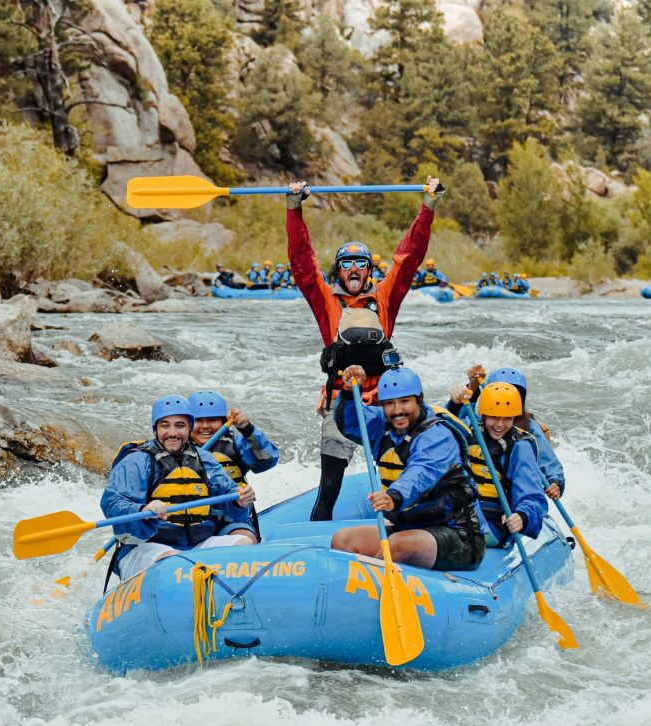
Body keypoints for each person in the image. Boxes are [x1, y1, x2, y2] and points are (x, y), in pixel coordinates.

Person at [286, 175, 444, 521]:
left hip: (388, 405)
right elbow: (302, 263)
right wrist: (294, 209)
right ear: (338, 272)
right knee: (329, 487)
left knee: (398, 477)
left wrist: (428, 206)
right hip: (342, 400)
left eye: (361, 264)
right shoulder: (326, 301)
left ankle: (406, 528)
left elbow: (409, 256)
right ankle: (320, 548)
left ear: (369, 271)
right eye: (346, 264)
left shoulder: (385, 297)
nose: (354, 269)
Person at [332, 365, 485, 570]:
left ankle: (370, 592)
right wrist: (350, 392)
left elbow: (421, 473)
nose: (397, 411)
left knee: (397, 546)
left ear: (419, 400)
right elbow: (349, 423)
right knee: (342, 540)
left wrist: (393, 496)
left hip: (457, 534)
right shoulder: (382, 424)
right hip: (409, 526)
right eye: (390, 404)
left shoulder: (438, 435)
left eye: (404, 401)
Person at [101, 395, 258, 580]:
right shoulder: (137, 460)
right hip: (146, 548)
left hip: (197, 544)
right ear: (156, 428)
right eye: (165, 425)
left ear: (189, 428)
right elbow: (111, 503)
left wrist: (240, 500)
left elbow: (229, 496)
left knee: (244, 544)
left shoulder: (204, 459)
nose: (172, 432)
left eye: (180, 425)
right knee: (174, 563)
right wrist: (142, 510)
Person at [448, 381, 547, 546]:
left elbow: (533, 495)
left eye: (507, 418)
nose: (500, 425)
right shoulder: (467, 430)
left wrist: (522, 516)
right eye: (494, 417)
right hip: (456, 513)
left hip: (493, 525)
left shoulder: (520, 447)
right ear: (483, 414)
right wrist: (454, 405)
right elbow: (437, 431)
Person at [452, 365, 566, 500]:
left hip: (511, 490)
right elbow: (454, 419)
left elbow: (546, 458)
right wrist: (472, 387)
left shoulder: (529, 427)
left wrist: (556, 482)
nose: (505, 401)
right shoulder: (476, 418)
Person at [188, 390, 279, 534]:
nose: (205, 426)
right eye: (198, 420)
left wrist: (247, 430)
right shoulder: (176, 449)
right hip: (191, 524)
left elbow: (266, 461)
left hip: (231, 522)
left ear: (224, 422)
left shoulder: (237, 445)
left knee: (243, 536)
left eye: (212, 420)